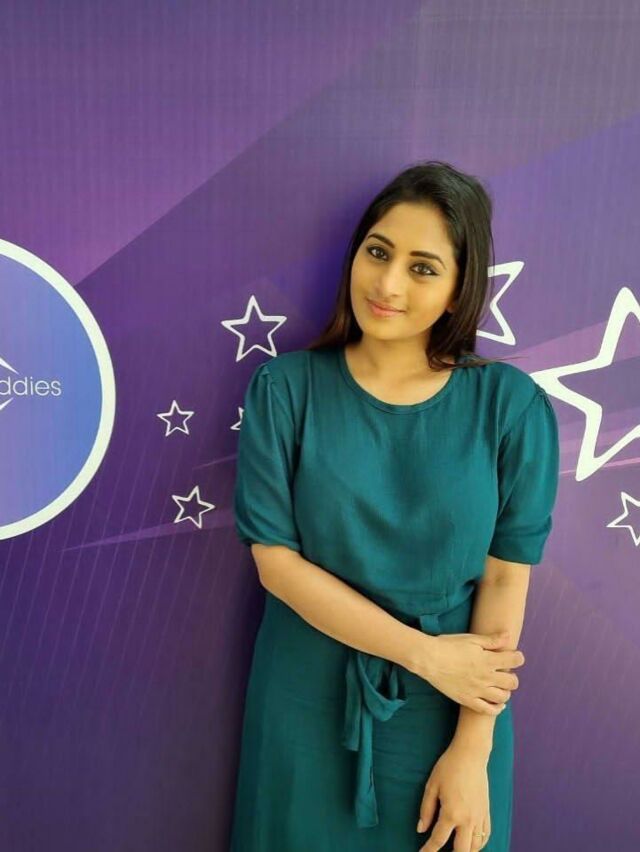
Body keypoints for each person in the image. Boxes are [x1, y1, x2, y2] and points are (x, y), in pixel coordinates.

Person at [229, 160, 560, 852]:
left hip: (454, 711)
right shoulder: (284, 389)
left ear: (458, 290)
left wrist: (472, 751)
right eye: (378, 253)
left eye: (422, 268)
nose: (387, 284)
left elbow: (505, 580)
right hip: (306, 699)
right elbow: (276, 565)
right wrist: (424, 655)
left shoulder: (510, 406)